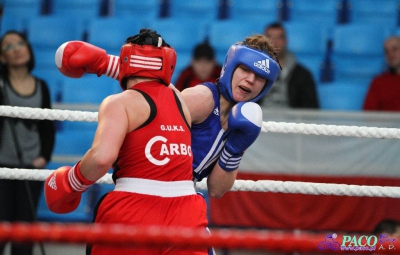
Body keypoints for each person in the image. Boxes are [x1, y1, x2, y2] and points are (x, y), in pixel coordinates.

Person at [54, 32, 281, 199]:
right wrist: (108, 65)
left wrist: (236, 148)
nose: (250, 80)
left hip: (183, 196)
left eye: (259, 77)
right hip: (152, 189)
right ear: (230, 67)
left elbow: (217, 189)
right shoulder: (204, 98)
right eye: (245, 70)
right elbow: (157, 105)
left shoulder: (243, 122)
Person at [45, 29, 209, 255]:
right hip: (188, 211)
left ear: (126, 60)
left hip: (134, 208)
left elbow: (102, 158)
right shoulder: (180, 101)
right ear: (168, 64)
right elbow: (158, 85)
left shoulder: (118, 103)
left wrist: (71, 182)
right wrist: (104, 63)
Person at [0, 30, 55, 255]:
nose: (17, 49)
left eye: (20, 43)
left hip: (31, 168)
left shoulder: (41, 86)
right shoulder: (1, 84)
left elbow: (48, 126)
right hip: (1, 169)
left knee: (24, 234)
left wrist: (44, 157)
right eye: (8, 46)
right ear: (2, 57)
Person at [259, 21, 319, 109]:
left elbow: (311, 109)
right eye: (270, 38)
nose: (274, 42)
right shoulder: (254, 71)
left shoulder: (302, 74)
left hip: (291, 121)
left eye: (279, 37)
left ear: (286, 41)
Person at [363, 36, 400, 112]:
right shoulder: (378, 82)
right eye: (386, 51)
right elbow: (368, 115)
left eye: (394, 49)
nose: (390, 55)